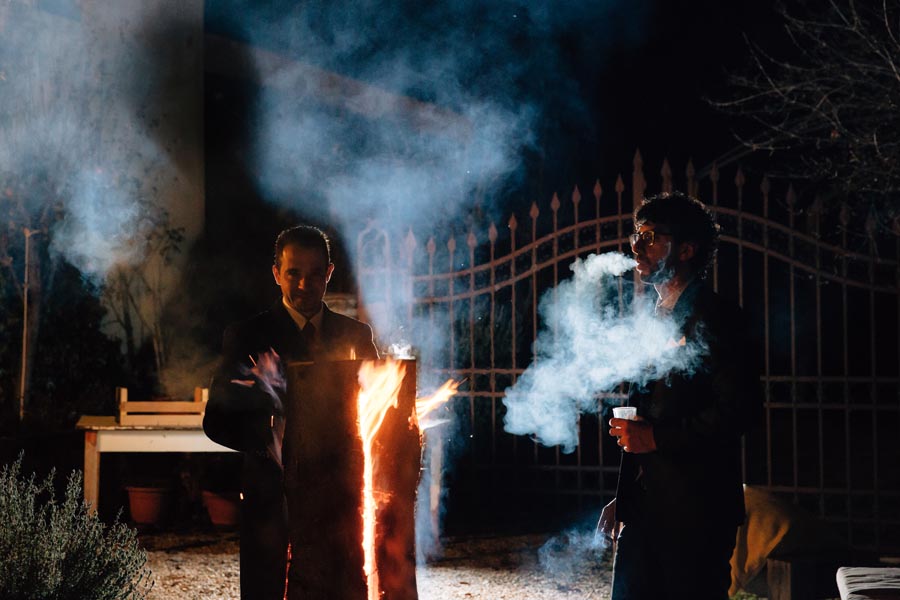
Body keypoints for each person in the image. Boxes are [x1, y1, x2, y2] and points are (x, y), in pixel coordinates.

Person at [597, 191, 762, 600]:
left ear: (686, 249)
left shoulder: (718, 318)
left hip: (697, 514)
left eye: (651, 236)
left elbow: (739, 412)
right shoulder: (653, 317)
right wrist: (626, 496)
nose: (636, 246)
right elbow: (646, 415)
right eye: (637, 234)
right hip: (646, 513)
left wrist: (657, 439)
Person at [203, 225, 378, 600]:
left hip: (340, 498)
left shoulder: (356, 336)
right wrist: (269, 439)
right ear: (276, 273)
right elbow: (215, 420)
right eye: (293, 273)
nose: (304, 284)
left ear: (329, 273)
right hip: (271, 498)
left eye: (316, 274)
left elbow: (379, 410)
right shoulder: (248, 336)